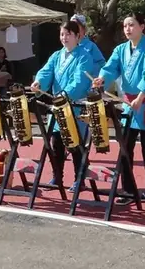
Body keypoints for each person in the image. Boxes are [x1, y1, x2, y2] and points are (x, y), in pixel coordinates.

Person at [92, 12, 145, 203]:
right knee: (125, 146)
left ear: (142, 26)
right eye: (125, 26)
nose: (128, 29)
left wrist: (141, 96)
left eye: (131, 25)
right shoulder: (120, 49)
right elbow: (110, 68)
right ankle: (128, 189)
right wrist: (102, 79)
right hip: (129, 104)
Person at [31, 20, 98, 191]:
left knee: (76, 144)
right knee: (56, 144)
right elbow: (46, 72)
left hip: (74, 107)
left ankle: (79, 179)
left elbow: (80, 80)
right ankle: (57, 176)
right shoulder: (56, 56)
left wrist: (65, 95)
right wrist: (39, 82)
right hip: (58, 107)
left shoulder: (84, 56)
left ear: (77, 36)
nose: (64, 38)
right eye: (62, 34)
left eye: (68, 34)